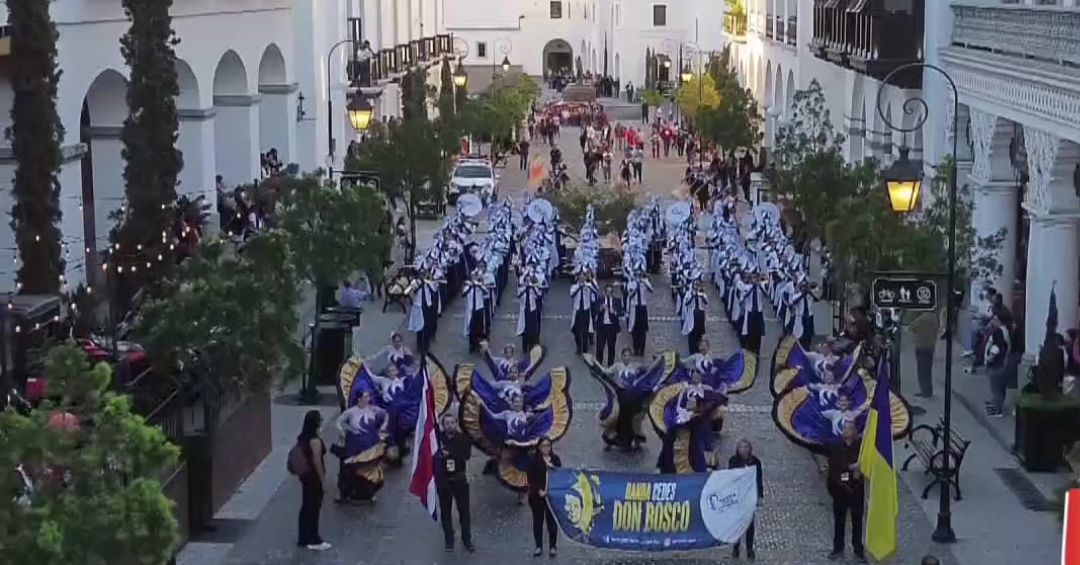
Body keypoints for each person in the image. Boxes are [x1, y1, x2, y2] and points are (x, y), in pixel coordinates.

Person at [821, 422, 865, 562]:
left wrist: (861, 469)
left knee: (857, 521)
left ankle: (858, 550)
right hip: (839, 489)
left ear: (855, 431)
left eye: (850, 428)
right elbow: (835, 464)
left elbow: (868, 459)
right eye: (845, 428)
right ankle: (838, 548)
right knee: (839, 520)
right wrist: (852, 467)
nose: (846, 431)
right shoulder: (835, 445)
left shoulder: (861, 446)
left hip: (856, 489)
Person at [436, 413, 475, 552]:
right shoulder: (437, 438)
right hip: (443, 480)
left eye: (452, 423)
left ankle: (467, 539)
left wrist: (450, 453)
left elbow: (466, 455)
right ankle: (449, 540)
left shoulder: (462, 439)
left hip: (459, 479)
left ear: (456, 423)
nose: (450, 426)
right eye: (447, 423)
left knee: (464, 511)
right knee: (445, 512)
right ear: (443, 425)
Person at [296, 410, 331, 551]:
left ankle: (303, 537)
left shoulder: (303, 438)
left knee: (306, 507)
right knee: (314, 507)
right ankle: (314, 538)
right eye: (320, 420)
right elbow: (317, 460)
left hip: (305, 477)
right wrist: (322, 478)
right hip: (313, 478)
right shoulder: (315, 440)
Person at [728, 438, 763, 560]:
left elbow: (759, 479)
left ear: (750, 449)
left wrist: (760, 496)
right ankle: (736, 548)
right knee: (737, 523)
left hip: (750, 496)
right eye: (741, 447)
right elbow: (730, 477)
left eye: (746, 447)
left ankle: (749, 548)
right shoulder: (733, 461)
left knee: (749, 524)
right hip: (738, 496)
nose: (743, 450)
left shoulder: (756, 462)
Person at [527, 438, 562, 557]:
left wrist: (553, 468)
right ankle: (538, 546)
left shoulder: (555, 459)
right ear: (539, 447)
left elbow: (560, 476)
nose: (546, 448)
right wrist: (539, 490)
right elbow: (531, 478)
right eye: (543, 446)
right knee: (538, 521)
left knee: (551, 522)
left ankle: (553, 546)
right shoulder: (534, 460)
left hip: (551, 496)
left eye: (548, 445)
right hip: (537, 496)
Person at [985, 312, 1011, 417]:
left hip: (996, 368)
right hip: (1002, 368)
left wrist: (987, 359)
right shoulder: (1003, 345)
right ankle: (996, 405)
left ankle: (997, 410)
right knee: (1000, 389)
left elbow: (991, 358)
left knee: (996, 389)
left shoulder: (996, 347)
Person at [910, 308, 941, 398]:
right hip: (930, 346)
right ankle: (929, 391)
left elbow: (911, 327)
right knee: (928, 369)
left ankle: (924, 391)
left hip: (921, 346)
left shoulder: (921, 318)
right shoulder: (935, 319)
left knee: (921, 370)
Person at [595, 284, 623, 366]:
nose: (609, 293)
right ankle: (599, 364)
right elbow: (594, 310)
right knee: (600, 347)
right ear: (605, 292)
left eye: (610, 292)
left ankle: (610, 365)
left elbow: (621, 312)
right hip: (602, 326)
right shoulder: (600, 300)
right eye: (607, 292)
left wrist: (614, 311)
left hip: (612, 327)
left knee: (611, 347)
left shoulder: (617, 300)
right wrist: (601, 308)